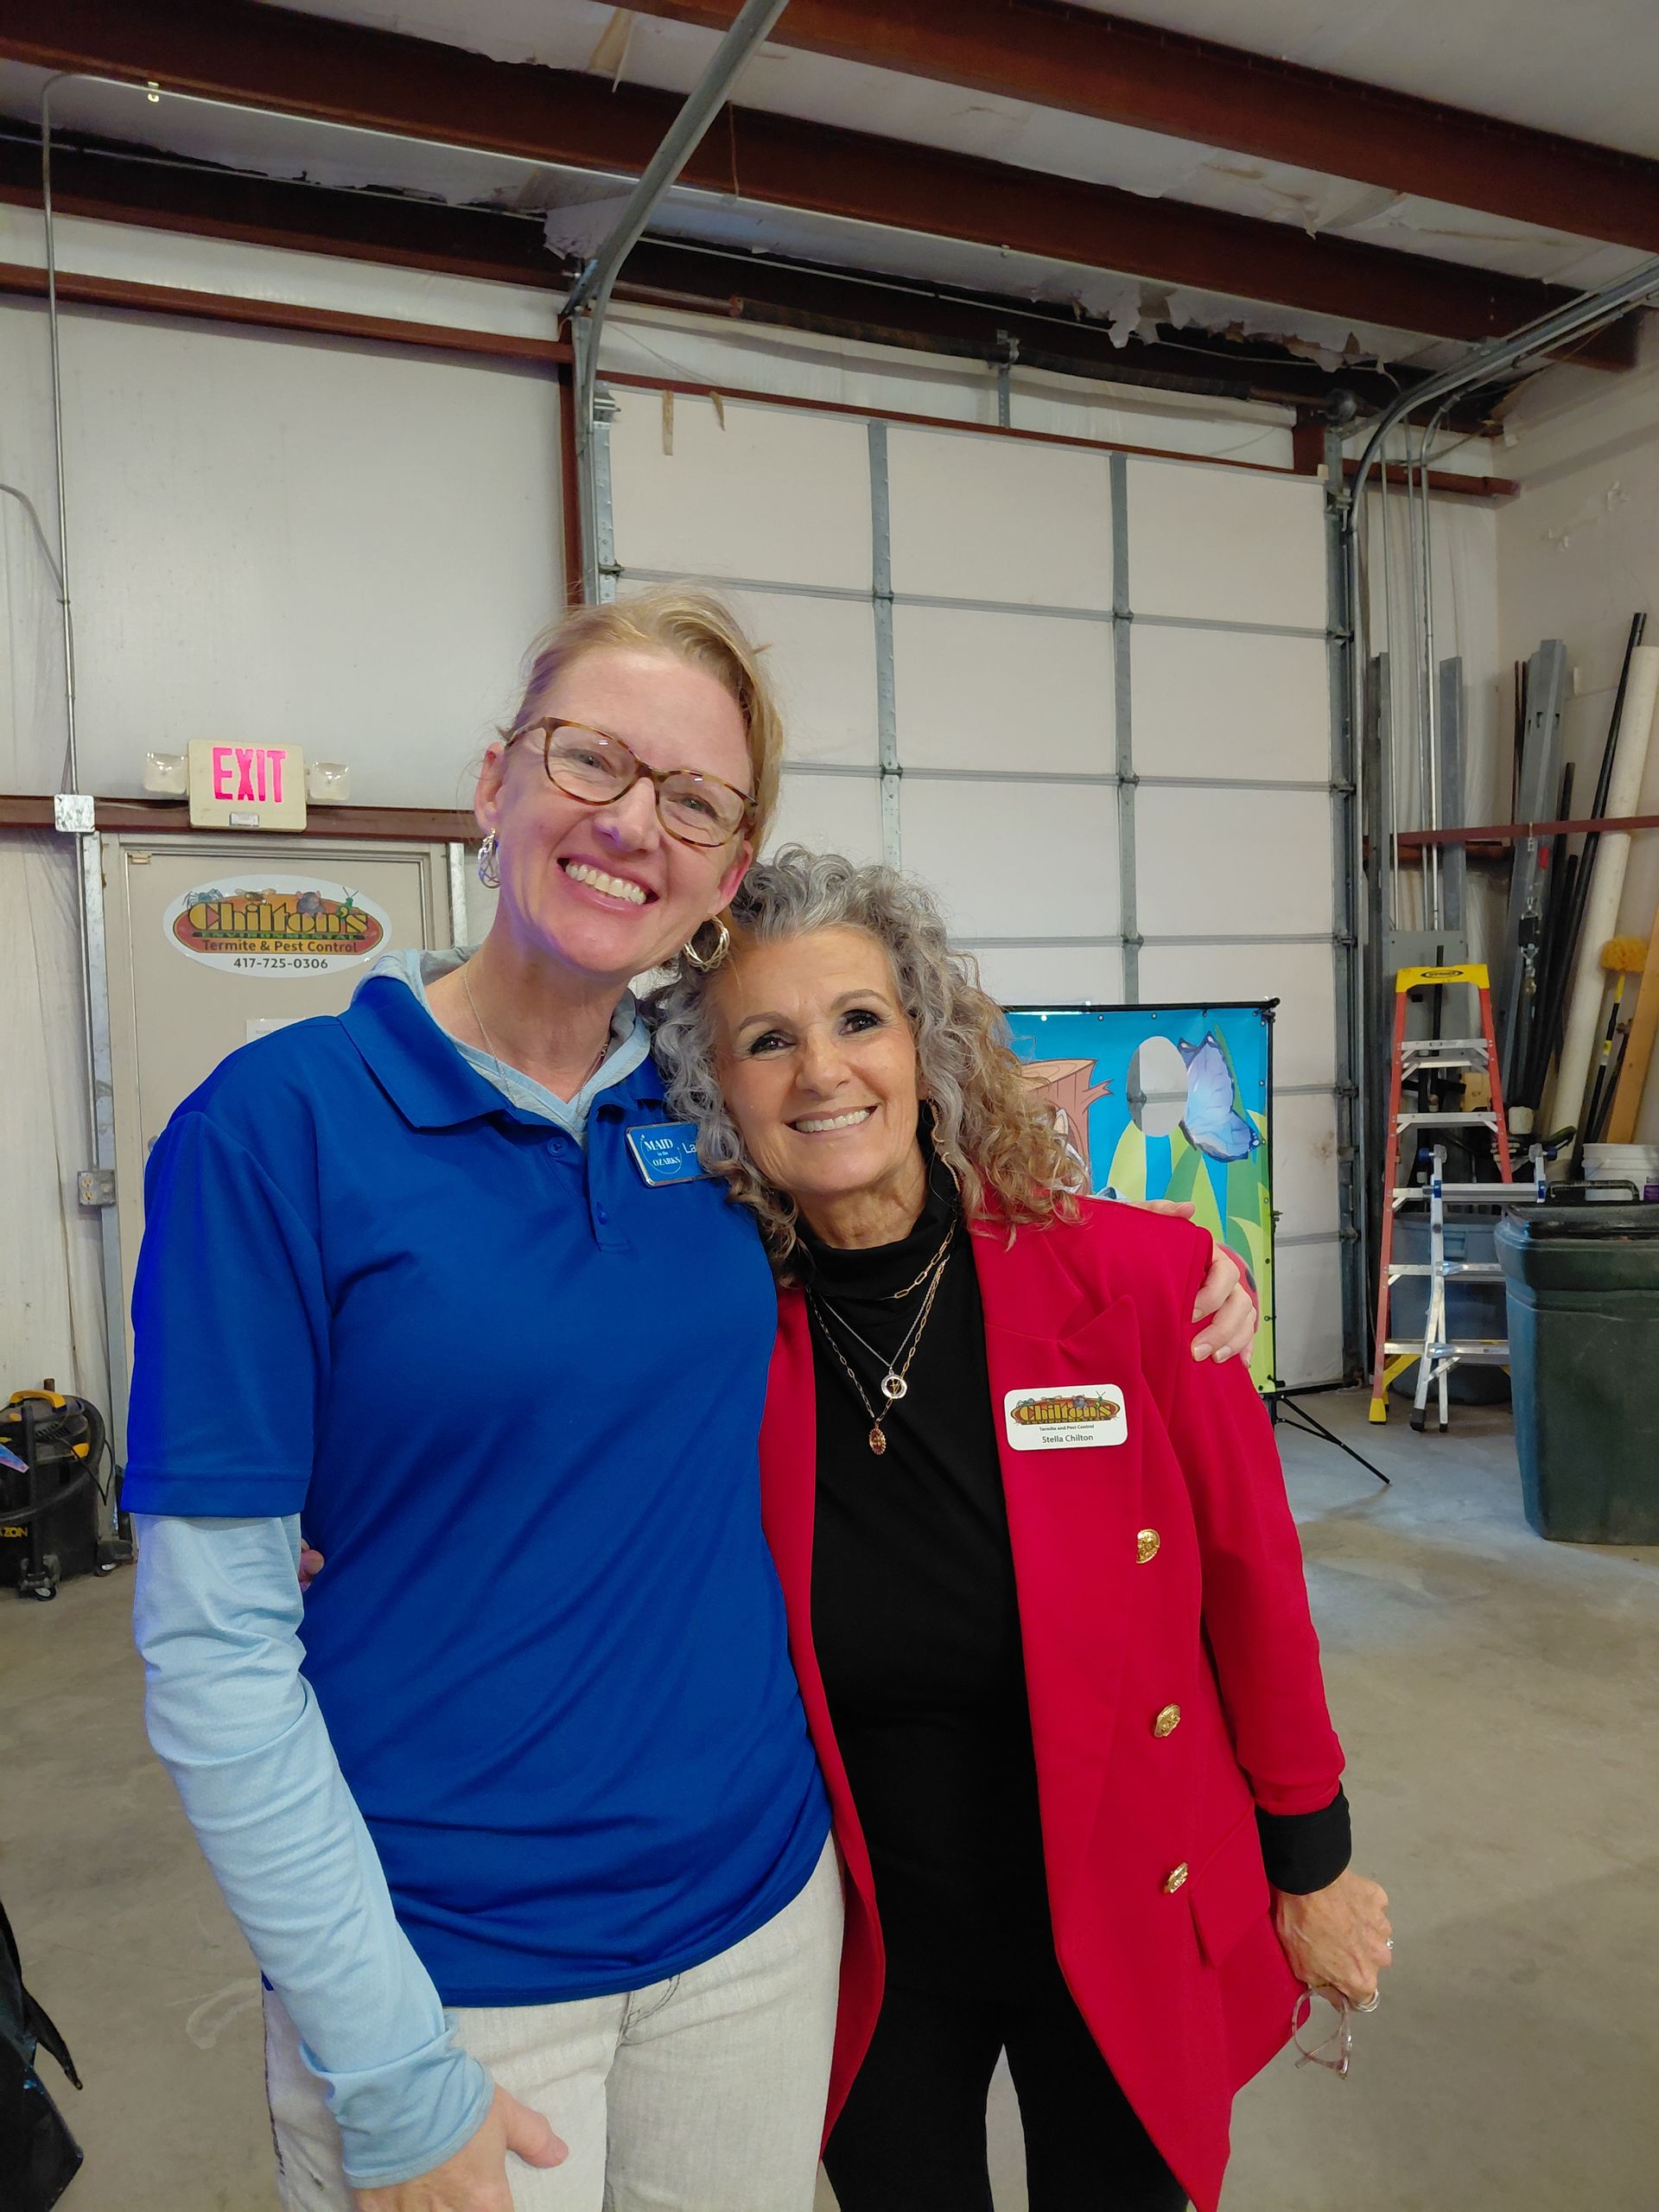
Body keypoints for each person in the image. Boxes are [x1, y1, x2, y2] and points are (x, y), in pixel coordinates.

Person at [124, 587, 1256, 2212]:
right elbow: (214, 1647)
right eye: (591, 762)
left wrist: (1168, 1263)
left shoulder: (711, 1115)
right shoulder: (276, 1132)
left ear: (727, 872)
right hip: (460, 1971)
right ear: (494, 781)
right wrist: (382, 2059)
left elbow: (923, 1195)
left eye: (694, 801)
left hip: (762, 1926)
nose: (629, 823)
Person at [649, 848, 1394, 2212]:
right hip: (868, 1932)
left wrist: (1315, 1863)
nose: (824, 1073)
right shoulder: (708, 1338)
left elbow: (1253, 1585)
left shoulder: (1137, 1279)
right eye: (767, 1040)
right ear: (715, 1093)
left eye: (859, 1020)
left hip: (1118, 1904)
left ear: (925, 1044)